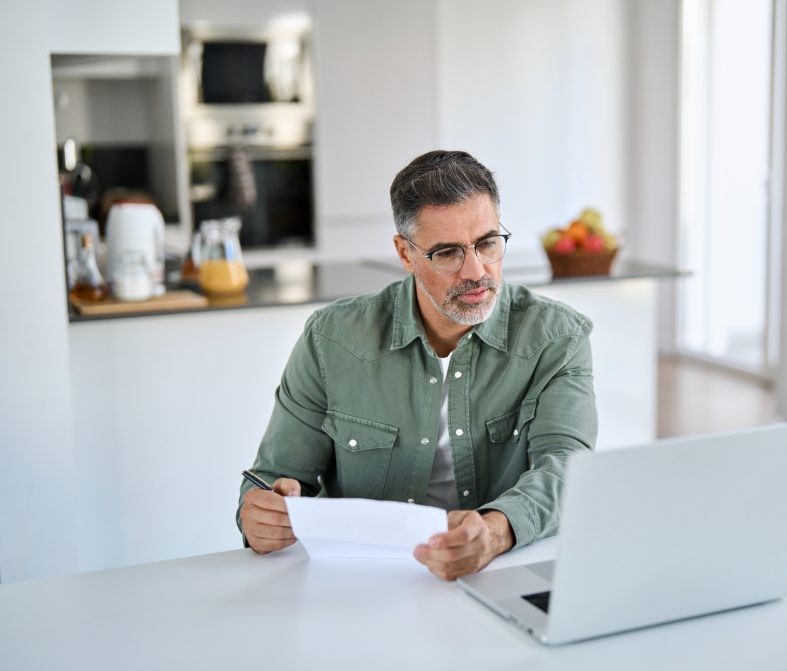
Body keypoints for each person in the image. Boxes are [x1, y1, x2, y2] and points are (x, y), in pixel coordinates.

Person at [237, 150, 597, 580]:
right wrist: (259, 515)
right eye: (447, 253)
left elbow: (568, 469)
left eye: (487, 243)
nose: (475, 270)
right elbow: (272, 479)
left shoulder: (558, 337)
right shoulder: (330, 340)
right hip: (362, 584)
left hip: (499, 574)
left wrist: (495, 532)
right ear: (405, 254)